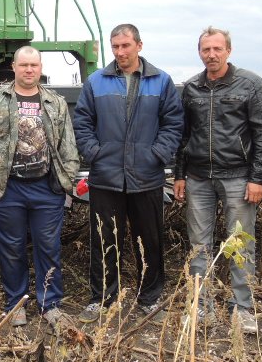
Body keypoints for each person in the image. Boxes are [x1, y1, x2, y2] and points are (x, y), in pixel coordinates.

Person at [72, 24, 183, 323]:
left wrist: (157, 154)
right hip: (106, 176)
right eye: (115, 46)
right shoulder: (96, 81)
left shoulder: (161, 82)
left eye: (125, 46)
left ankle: (150, 298)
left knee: (149, 240)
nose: (120, 52)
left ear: (139, 45)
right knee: (104, 239)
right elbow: (82, 122)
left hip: (146, 176)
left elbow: (173, 124)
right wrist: (94, 153)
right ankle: (103, 299)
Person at [173, 27, 262, 334]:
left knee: (239, 243)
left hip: (238, 177)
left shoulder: (249, 84)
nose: (211, 54)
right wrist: (179, 175)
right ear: (199, 52)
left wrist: (258, 178)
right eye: (206, 49)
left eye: (217, 49)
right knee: (198, 245)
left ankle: (242, 308)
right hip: (199, 178)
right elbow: (183, 135)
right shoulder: (191, 88)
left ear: (228, 51)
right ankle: (201, 307)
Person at [0, 47, 80, 327]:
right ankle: (16, 304)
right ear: (14, 67)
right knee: (11, 248)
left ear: (40, 66)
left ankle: (50, 305)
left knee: (48, 247)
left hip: (46, 188)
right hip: (7, 188)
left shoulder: (54, 102)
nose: (29, 70)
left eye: (34, 65)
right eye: (24, 65)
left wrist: (66, 182)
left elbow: (67, 144)